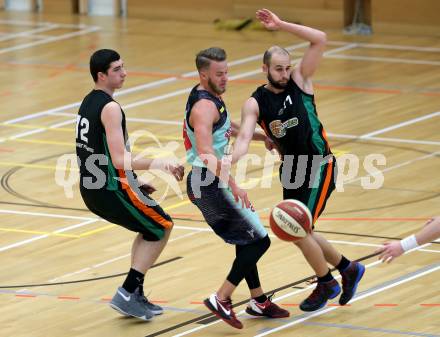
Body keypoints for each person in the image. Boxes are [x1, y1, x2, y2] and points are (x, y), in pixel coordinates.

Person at [232, 9, 365, 312]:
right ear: (264, 68)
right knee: (296, 229)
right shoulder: (255, 103)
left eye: (286, 67)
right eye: (277, 69)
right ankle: (347, 269)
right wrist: (230, 161)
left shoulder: (300, 81)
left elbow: (320, 39)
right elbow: (243, 138)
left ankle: (326, 282)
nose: (282, 73)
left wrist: (280, 25)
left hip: (320, 165)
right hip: (291, 172)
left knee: (298, 228)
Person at [183, 47, 289, 329]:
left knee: (248, 238)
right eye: (219, 74)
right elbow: (205, 152)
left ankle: (258, 300)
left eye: (227, 72)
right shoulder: (203, 107)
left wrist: (259, 136)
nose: (225, 78)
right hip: (207, 183)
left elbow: (226, 127)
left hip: (213, 181)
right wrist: (234, 185)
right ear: (203, 74)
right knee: (259, 240)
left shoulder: (211, 97)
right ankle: (221, 298)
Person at [76, 49, 184, 320]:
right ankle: (127, 292)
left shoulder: (88, 102)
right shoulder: (110, 108)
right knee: (162, 226)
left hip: (95, 186)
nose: (124, 73)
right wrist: (160, 164)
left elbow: (98, 150)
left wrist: (135, 182)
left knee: (149, 228)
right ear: (101, 75)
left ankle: (134, 293)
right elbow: (119, 157)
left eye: (124, 67)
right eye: (117, 69)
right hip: (109, 188)